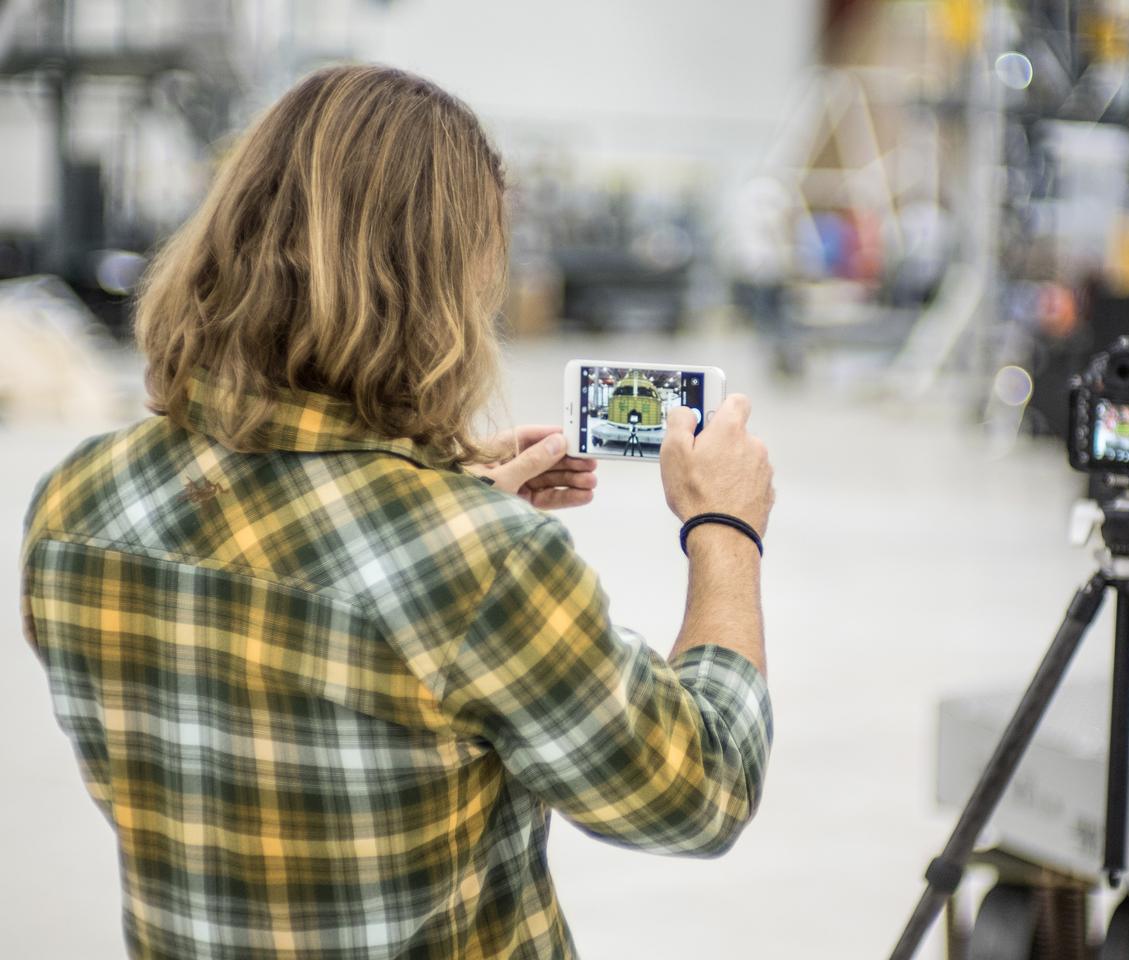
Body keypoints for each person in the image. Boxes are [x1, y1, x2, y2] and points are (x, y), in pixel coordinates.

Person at [19, 65, 775, 959]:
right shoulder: (486, 566)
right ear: (439, 294)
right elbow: (701, 792)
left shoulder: (74, 503)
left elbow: (295, 573)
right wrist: (724, 530)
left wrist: (436, 483)